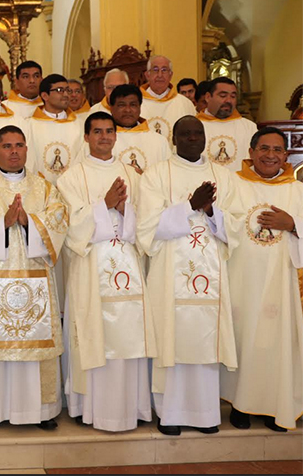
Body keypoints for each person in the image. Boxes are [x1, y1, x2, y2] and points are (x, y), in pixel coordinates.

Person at [0, 125, 68, 429]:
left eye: (19, 145)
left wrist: (30, 221)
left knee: (35, 342)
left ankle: (40, 412)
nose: (14, 151)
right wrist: (0, 225)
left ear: (27, 151)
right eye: (7, 146)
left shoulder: (44, 187)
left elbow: (59, 220)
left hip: (36, 282)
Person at [137, 115, 239, 435]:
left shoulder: (223, 175)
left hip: (212, 278)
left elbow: (236, 226)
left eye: (198, 133)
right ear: (174, 139)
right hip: (169, 274)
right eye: (186, 134)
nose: (193, 138)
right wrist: (189, 205)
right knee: (172, 341)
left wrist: (210, 211)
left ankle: (205, 414)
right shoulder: (155, 175)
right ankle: (170, 414)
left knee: (205, 342)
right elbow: (146, 229)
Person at [57, 112, 156, 432]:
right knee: (92, 335)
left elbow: (147, 221)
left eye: (109, 131)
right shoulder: (70, 177)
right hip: (90, 267)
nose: (104, 137)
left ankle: (130, 407)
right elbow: (71, 228)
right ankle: (89, 409)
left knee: (128, 336)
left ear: (117, 136)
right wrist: (105, 204)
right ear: (85, 137)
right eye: (97, 131)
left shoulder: (134, 175)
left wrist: (124, 207)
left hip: (128, 264)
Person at [223, 127, 303, 432]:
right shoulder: (233, 184)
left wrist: (293, 223)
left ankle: (275, 406)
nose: (271, 156)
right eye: (264, 149)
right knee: (244, 339)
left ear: (286, 156)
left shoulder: (296, 190)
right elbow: (222, 224)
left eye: (277, 150)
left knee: (277, 342)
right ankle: (239, 404)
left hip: (281, 282)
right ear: (252, 152)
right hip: (242, 278)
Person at [96, 84, 171, 174]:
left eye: (133, 105)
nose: (128, 110)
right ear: (111, 108)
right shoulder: (98, 141)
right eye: (121, 105)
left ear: (140, 107)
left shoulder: (159, 141)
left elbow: (168, 178)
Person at [27, 74, 83, 185]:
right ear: (45, 96)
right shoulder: (29, 125)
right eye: (60, 90)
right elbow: (28, 161)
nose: (67, 95)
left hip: (74, 188)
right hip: (39, 189)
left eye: (67, 90)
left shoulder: (80, 125)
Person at [196, 77, 257, 172]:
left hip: (238, 185)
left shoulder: (249, 127)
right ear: (208, 97)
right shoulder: (194, 126)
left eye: (233, 96)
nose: (228, 100)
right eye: (223, 96)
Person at [139, 56, 197, 142]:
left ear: (170, 75)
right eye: (155, 70)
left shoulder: (185, 104)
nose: (160, 75)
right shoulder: (136, 103)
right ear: (147, 75)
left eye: (164, 70)